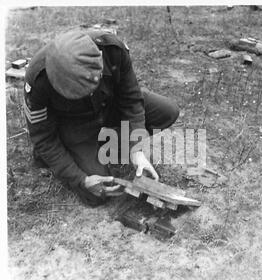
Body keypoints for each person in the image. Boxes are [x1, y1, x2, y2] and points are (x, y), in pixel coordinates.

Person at [23, 29, 179, 207]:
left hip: (109, 106)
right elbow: (44, 139)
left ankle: (109, 145)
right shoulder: (38, 79)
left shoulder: (112, 49)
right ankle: (83, 150)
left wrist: (136, 149)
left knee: (167, 111)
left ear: (99, 57)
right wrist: (81, 180)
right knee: (97, 194)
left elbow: (132, 101)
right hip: (75, 125)